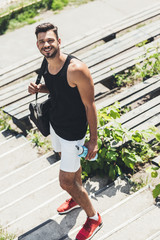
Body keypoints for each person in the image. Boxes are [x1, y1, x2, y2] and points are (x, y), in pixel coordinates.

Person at [28, 22, 102, 240]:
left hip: (73, 133)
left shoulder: (76, 69)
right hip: (56, 126)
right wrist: (40, 88)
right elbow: (58, 88)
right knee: (71, 170)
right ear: (38, 45)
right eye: (41, 41)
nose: (46, 44)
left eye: (50, 40)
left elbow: (90, 106)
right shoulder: (47, 62)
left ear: (59, 41)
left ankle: (93, 217)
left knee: (65, 181)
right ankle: (77, 196)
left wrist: (93, 140)